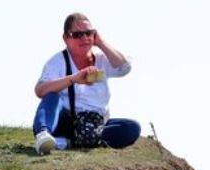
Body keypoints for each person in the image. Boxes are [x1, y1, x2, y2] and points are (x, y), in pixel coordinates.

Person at [32, 12, 140, 155]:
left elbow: (124, 68)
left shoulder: (102, 60)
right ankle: (43, 135)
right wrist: (73, 79)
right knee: (52, 97)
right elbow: (40, 90)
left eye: (89, 33)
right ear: (66, 38)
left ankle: (69, 142)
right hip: (68, 121)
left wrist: (101, 43)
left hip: (95, 122)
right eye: (77, 35)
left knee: (132, 128)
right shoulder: (58, 62)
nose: (84, 38)